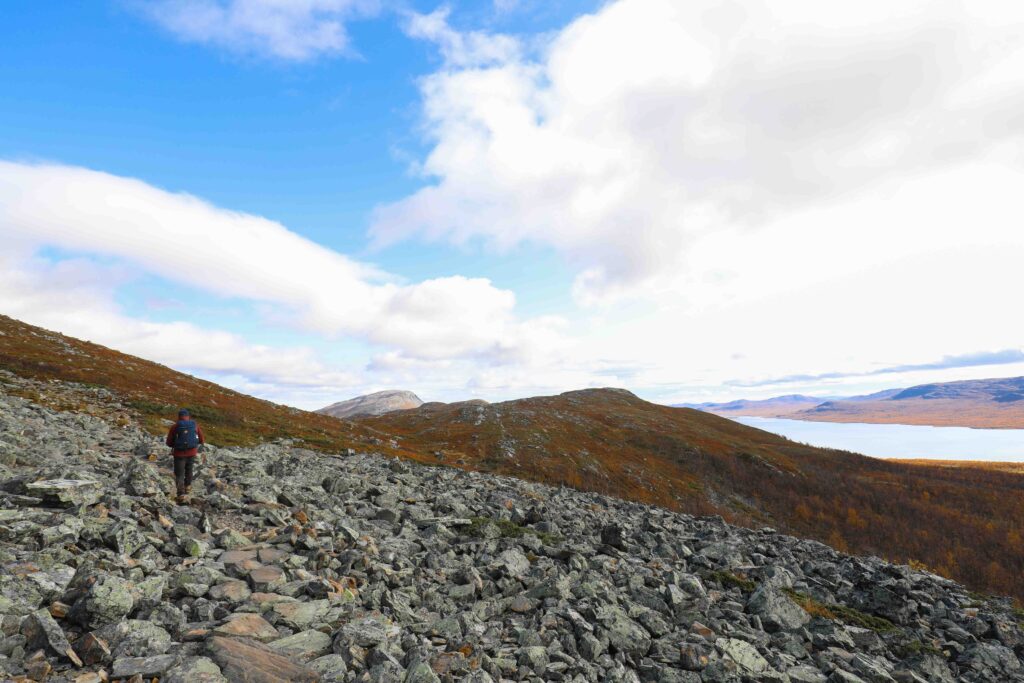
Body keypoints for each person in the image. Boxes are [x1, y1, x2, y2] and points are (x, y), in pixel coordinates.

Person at [166, 408, 205, 502]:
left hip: (179, 454)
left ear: (179, 417)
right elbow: (201, 439)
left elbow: (169, 442)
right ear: (188, 417)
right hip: (192, 452)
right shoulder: (195, 425)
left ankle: (180, 494)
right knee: (189, 469)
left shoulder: (175, 426)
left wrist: (175, 445)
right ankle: (188, 486)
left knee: (179, 473)